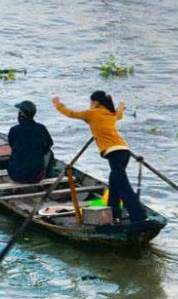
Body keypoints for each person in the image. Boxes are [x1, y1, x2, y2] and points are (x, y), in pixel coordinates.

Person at [53, 91, 148, 225]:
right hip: (124, 151)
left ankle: (139, 216)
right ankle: (115, 216)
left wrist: (58, 105)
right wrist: (121, 107)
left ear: (96, 102)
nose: (90, 105)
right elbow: (119, 115)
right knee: (114, 185)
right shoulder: (111, 113)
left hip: (114, 153)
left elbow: (71, 114)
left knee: (123, 186)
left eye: (91, 102)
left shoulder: (93, 113)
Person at [6, 100, 54, 184]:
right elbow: (49, 145)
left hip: (15, 175)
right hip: (35, 176)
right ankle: (46, 175)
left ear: (21, 114)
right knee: (49, 153)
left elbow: (12, 145)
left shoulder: (14, 130)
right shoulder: (41, 128)